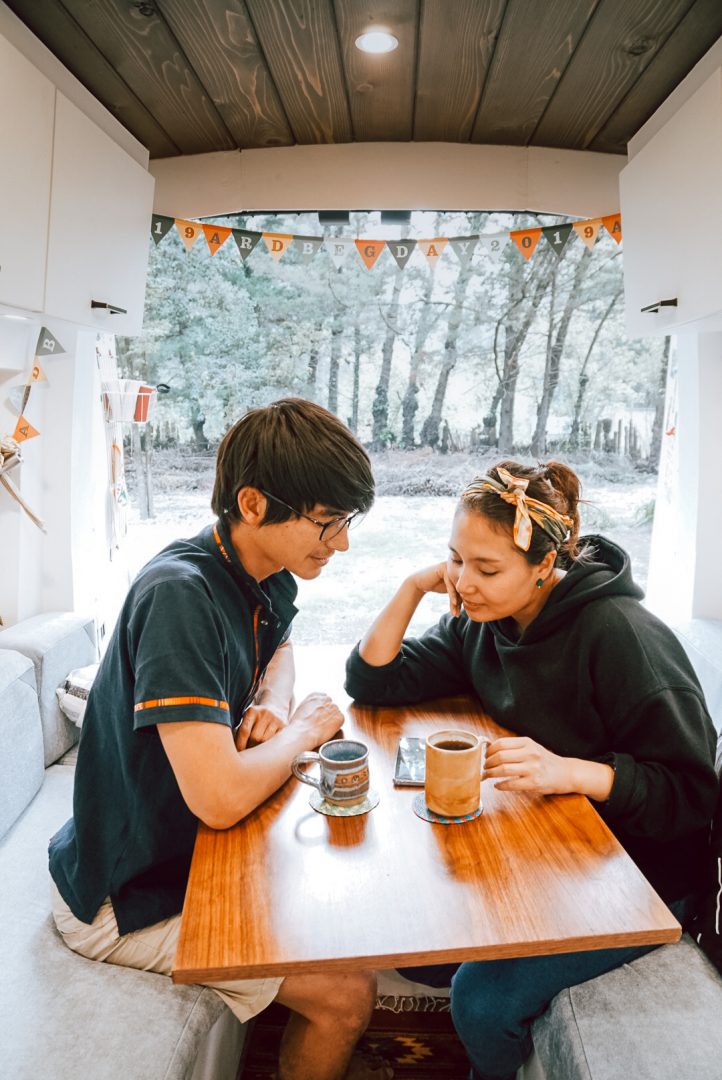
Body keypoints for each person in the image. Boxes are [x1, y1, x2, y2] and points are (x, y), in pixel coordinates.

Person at [49, 398, 390, 1080]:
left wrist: (268, 699)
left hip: (178, 860)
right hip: (123, 899)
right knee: (348, 994)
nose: (342, 542)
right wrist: (300, 731)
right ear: (254, 504)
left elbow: (282, 645)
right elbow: (220, 799)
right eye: (327, 522)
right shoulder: (181, 596)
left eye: (345, 523)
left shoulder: (254, 572)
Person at [345, 459, 719, 1080]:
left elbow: (691, 795)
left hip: (639, 882)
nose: (464, 583)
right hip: (558, 855)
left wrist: (574, 772)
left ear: (545, 565)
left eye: (487, 568)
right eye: (455, 560)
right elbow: (372, 680)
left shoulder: (623, 637)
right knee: (421, 950)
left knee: (479, 998)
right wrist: (413, 588)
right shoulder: (489, 620)